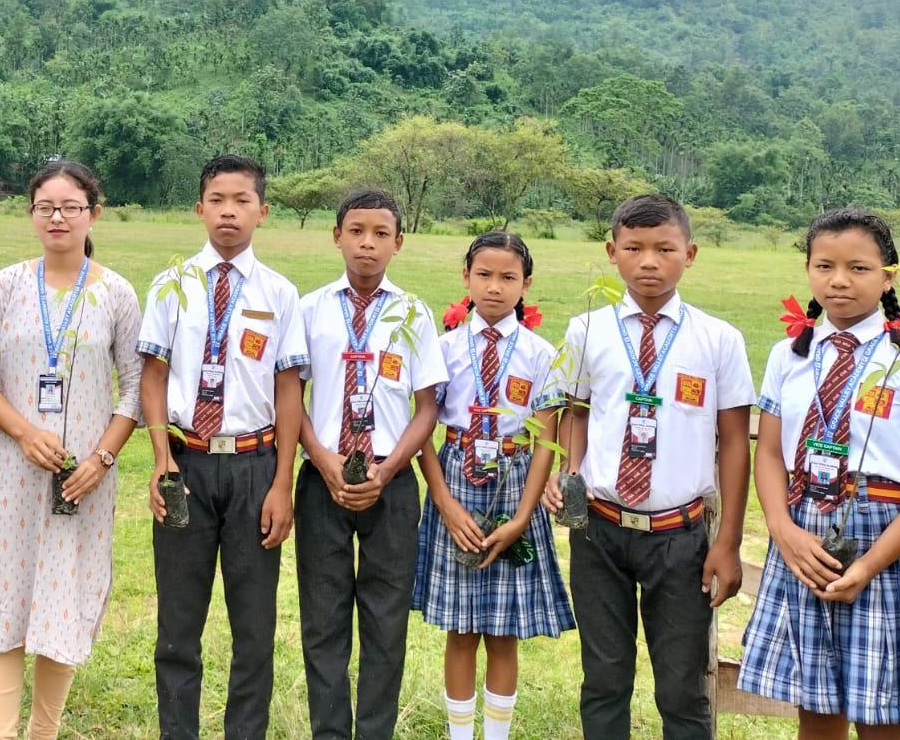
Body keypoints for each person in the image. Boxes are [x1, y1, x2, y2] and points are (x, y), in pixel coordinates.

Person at [739, 208, 900, 737]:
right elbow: (770, 454)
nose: (838, 280)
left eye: (858, 268)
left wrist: (869, 564)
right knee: (816, 708)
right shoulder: (787, 356)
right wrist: (782, 530)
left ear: (888, 277)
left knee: (884, 713)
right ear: (808, 270)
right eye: (824, 266)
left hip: (886, 545)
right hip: (803, 539)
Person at [543, 194, 752, 740]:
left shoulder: (718, 339)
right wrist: (566, 472)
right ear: (612, 252)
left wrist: (728, 541)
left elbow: (734, 443)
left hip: (680, 538)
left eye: (665, 248)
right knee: (604, 678)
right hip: (600, 531)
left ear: (691, 254)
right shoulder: (587, 330)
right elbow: (574, 413)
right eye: (634, 248)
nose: (649, 262)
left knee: (681, 689)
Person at [0, 159, 143, 739]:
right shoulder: (7, 285)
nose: (58, 217)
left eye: (71, 207)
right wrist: (23, 432)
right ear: (32, 214)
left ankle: (44, 730)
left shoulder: (115, 293)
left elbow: (135, 388)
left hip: (80, 480)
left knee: (63, 598)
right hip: (11, 472)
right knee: (4, 598)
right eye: (46, 207)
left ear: (94, 213)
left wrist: (101, 460)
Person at [139, 154, 307, 740]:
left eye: (242, 201)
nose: (228, 212)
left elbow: (289, 389)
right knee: (178, 626)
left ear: (263, 211)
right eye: (217, 200)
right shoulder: (172, 284)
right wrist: (162, 461)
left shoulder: (280, 293)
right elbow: (153, 377)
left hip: (254, 469)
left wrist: (282, 483)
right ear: (199, 208)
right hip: (185, 463)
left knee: (254, 629)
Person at [295, 189, 444, 740]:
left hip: (392, 481)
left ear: (398, 243)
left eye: (381, 234)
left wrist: (387, 469)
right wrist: (322, 457)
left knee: (386, 621)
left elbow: (427, 407)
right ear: (337, 236)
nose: (367, 244)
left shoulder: (413, 313)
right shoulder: (310, 309)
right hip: (324, 480)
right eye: (356, 231)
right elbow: (290, 397)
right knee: (323, 618)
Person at [415, 232, 574, 740]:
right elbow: (422, 428)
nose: (494, 287)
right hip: (456, 479)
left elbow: (547, 439)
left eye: (508, 277)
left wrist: (524, 516)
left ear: (527, 284)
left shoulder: (541, 354)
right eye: (483, 275)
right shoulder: (442, 349)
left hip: (515, 481)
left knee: (504, 631)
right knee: (461, 628)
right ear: (466, 277)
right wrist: (443, 501)